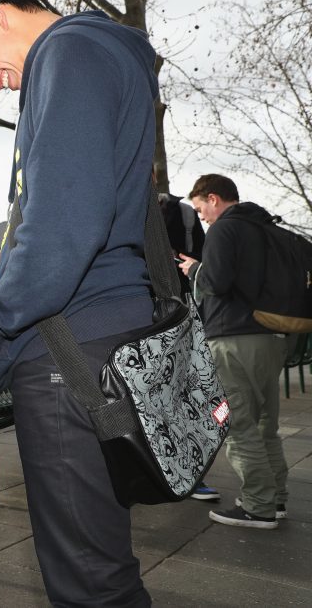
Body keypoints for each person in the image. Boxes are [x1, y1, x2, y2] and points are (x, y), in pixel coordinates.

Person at [0, 0, 156, 605]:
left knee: (86, 579)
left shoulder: (69, 54)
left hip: (68, 347)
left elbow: (65, 231)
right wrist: (11, 262)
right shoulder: (101, 53)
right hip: (102, 327)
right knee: (101, 558)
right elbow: (87, 218)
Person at [179, 174, 289, 529]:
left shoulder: (225, 230)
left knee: (238, 425)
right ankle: (277, 498)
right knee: (265, 425)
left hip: (233, 338)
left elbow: (217, 282)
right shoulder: (267, 228)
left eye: (200, 209)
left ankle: (258, 506)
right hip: (271, 337)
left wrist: (195, 269)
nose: (202, 218)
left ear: (213, 198)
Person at [157, 189, 219, 502]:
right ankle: (180, 471)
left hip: (173, 310)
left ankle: (187, 471)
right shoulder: (183, 212)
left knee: (181, 391)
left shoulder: (181, 213)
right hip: (177, 309)